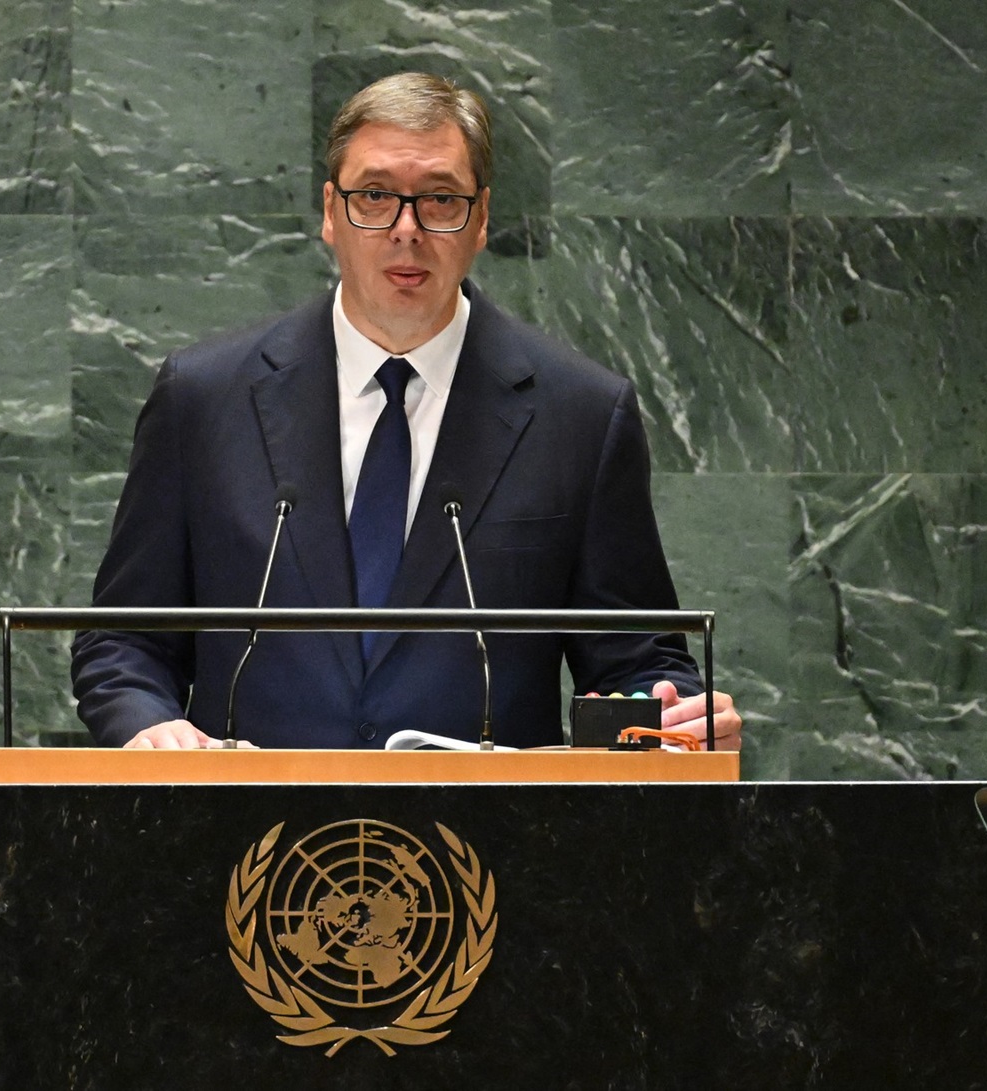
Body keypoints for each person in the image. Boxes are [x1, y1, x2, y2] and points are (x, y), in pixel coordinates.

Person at [71, 72, 742, 751]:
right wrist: (150, 726)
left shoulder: (581, 415)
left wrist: (681, 713)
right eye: (375, 195)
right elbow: (124, 641)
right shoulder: (204, 397)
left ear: (481, 220)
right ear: (330, 212)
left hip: (489, 848)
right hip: (249, 843)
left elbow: (641, 663)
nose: (406, 229)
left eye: (440, 199)